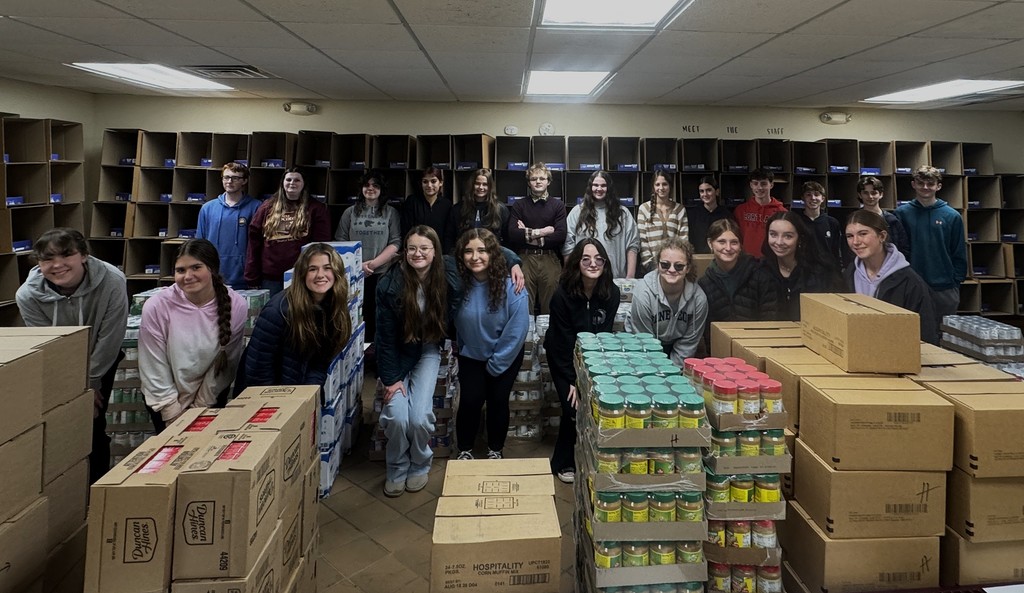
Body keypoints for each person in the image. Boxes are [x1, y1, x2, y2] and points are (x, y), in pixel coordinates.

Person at [16, 228, 128, 483]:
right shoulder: (27, 295)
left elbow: (110, 337)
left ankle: (96, 489)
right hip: (60, 365)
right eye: (47, 259)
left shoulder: (112, 280)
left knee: (93, 425)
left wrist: (91, 383)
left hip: (101, 359)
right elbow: (52, 346)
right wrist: (73, 385)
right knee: (62, 426)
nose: (57, 265)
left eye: (66, 255)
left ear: (84, 255)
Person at [139, 239, 248, 432]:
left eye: (196, 267)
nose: (188, 276)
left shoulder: (236, 304)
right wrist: (172, 413)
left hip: (210, 397)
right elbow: (153, 364)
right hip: (165, 400)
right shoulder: (156, 306)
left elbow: (226, 362)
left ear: (212, 269)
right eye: (180, 270)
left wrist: (200, 408)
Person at [545, 239, 620, 483]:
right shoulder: (562, 296)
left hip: (594, 359)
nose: (593, 264)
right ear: (577, 263)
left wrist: (593, 377)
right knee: (573, 407)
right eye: (586, 259)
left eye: (599, 259)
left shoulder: (611, 293)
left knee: (600, 405)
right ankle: (563, 461)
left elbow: (604, 337)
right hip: (563, 359)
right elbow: (561, 343)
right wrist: (574, 381)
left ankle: (597, 458)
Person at [453, 229, 529, 461]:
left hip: (505, 355)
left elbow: (517, 330)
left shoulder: (512, 286)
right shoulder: (457, 284)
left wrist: (497, 363)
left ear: (494, 254)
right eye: (468, 251)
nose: (475, 257)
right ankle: (465, 449)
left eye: (482, 250)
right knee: (470, 401)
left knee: (498, 401)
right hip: (471, 355)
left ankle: (495, 449)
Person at [242, 243, 353, 389]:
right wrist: (281, 399)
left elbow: (320, 362)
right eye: (312, 269)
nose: (320, 275)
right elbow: (258, 371)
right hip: (268, 393)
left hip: (300, 392)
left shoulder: (334, 306)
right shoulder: (277, 312)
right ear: (302, 274)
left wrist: (309, 392)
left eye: (327, 268)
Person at [844, 210, 938, 344]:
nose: (856, 242)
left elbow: (926, 333)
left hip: (898, 351)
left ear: (882, 236)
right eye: (850, 236)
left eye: (863, 234)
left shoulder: (910, 282)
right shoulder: (848, 275)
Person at [334, 170, 400, 352]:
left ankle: (376, 356)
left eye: (375, 185)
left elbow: (396, 242)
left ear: (381, 189)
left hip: (382, 274)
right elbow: (341, 240)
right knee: (355, 317)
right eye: (366, 185)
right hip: (354, 275)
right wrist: (358, 265)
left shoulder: (390, 212)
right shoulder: (350, 212)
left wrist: (373, 264)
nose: (370, 188)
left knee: (379, 317)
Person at [894, 165, 967, 325]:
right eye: (921, 183)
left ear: (938, 186)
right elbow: (898, 250)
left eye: (930, 183)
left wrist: (955, 281)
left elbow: (958, 251)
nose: (925, 187)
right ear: (913, 184)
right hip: (911, 284)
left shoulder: (952, 216)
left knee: (943, 332)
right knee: (911, 331)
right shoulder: (901, 214)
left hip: (944, 287)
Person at [244, 168, 331, 296]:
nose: (292, 183)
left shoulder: (316, 209)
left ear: (304, 184)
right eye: (288, 179)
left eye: (297, 180)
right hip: (270, 278)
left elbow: (321, 246)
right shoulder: (267, 207)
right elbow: (254, 244)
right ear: (282, 183)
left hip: (302, 276)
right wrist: (251, 276)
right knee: (273, 309)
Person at [627, 237, 709, 366]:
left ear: (688, 268)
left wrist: (673, 370)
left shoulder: (699, 299)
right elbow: (644, 340)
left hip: (679, 347)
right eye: (665, 265)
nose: (671, 270)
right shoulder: (643, 293)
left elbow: (689, 343)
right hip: (642, 346)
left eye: (679, 266)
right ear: (658, 265)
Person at [698, 219, 778, 342]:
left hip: (758, 345)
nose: (728, 248)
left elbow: (770, 319)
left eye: (734, 242)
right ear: (710, 243)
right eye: (721, 242)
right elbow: (708, 331)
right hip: (722, 348)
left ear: (741, 245)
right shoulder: (704, 284)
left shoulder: (760, 276)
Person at [761, 211, 844, 321]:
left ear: (800, 238)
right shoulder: (759, 270)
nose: (779, 242)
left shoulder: (821, 273)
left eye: (788, 236)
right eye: (773, 234)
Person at [507, 163, 567, 314]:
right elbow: (513, 234)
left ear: (548, 181)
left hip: (550, 259)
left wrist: (527, 234)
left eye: (542, 178)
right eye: (534, 179)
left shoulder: (558, 205)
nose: (538, 182)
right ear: (529, 183)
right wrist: (543, 232)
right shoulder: (519, 205)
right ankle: (526, 331)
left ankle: (549, 331)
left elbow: (560, 236)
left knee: (551, 307)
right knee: (523, 305)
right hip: (525, 259)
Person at [564, 170, 640, 279]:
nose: (599, 189)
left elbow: (632, 245)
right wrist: (571, 275)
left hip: (615, 279)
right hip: (584, 280)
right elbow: (568, 246)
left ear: (609, 188)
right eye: (595, 185)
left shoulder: (623, 213)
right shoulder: (577, 212)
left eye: (603, 185)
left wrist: (630, 277)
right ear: (590, 187)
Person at [196, 162, 260, 290]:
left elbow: (259, 245)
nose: (229, 181)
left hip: (243, 278)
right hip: (213, 276)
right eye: (226, 177)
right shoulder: (208, 208)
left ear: (244, 181)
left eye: (235, 178)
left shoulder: (256, 207)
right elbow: (199, 244)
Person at [637, 169, 689, 273]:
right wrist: (650, 265)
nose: (661, 188)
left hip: (674, 267)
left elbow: (683, 240)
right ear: (653, 187)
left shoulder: (679, 209)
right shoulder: (644, 209)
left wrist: (676, 264)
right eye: (657, 184)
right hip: (651, 267)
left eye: (664, 184)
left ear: (670, 186)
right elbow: (642, 241)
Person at [401, 167, 457, 253]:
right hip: (416, 250)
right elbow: (406, 231)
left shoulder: (447, 204)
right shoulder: (412, 202)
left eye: (433, 181)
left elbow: (448, 234)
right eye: (425, 182)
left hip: (439, 252)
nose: (429, 185)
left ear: (441, 183)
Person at [733, 168, 787, 257]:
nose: (759, 187)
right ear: (751, 185)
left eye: (763, 184)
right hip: (745, 260)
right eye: (755, 183)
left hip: (771, 260)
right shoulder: (740, 210)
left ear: (771, 185)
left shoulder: (782, 212)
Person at [857, 175, 910, 259]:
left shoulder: (892, 221)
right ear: (860, 195)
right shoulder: (853, 220)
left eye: (874, 193)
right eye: (865, 193)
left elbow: (903, 248)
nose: (870, 197)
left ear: (881, 194)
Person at [798, 181, 844, 273]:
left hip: (826, 273)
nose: (813, 198)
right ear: (803, 198)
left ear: (822, 198)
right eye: (808, 195)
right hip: (802, 273)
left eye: (816, 194)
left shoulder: (832, 223)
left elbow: (836, 251)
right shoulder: (795, 221)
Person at [455, 168, 509, 243]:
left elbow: (507, 238)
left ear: (490, 187)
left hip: (492, 249)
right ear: (472, 185)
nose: (481, 187)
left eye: (485, 184)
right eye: (477, 184)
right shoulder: (458, 208)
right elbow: (450, 236)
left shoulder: (500, 209)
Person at [686, 176, 734, 255]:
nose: (705, 194)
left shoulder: (726, 215)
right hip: (698, 257)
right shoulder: (692, 215)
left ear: (717, 192)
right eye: (702, 191)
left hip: (721, 256)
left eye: (709, 190)